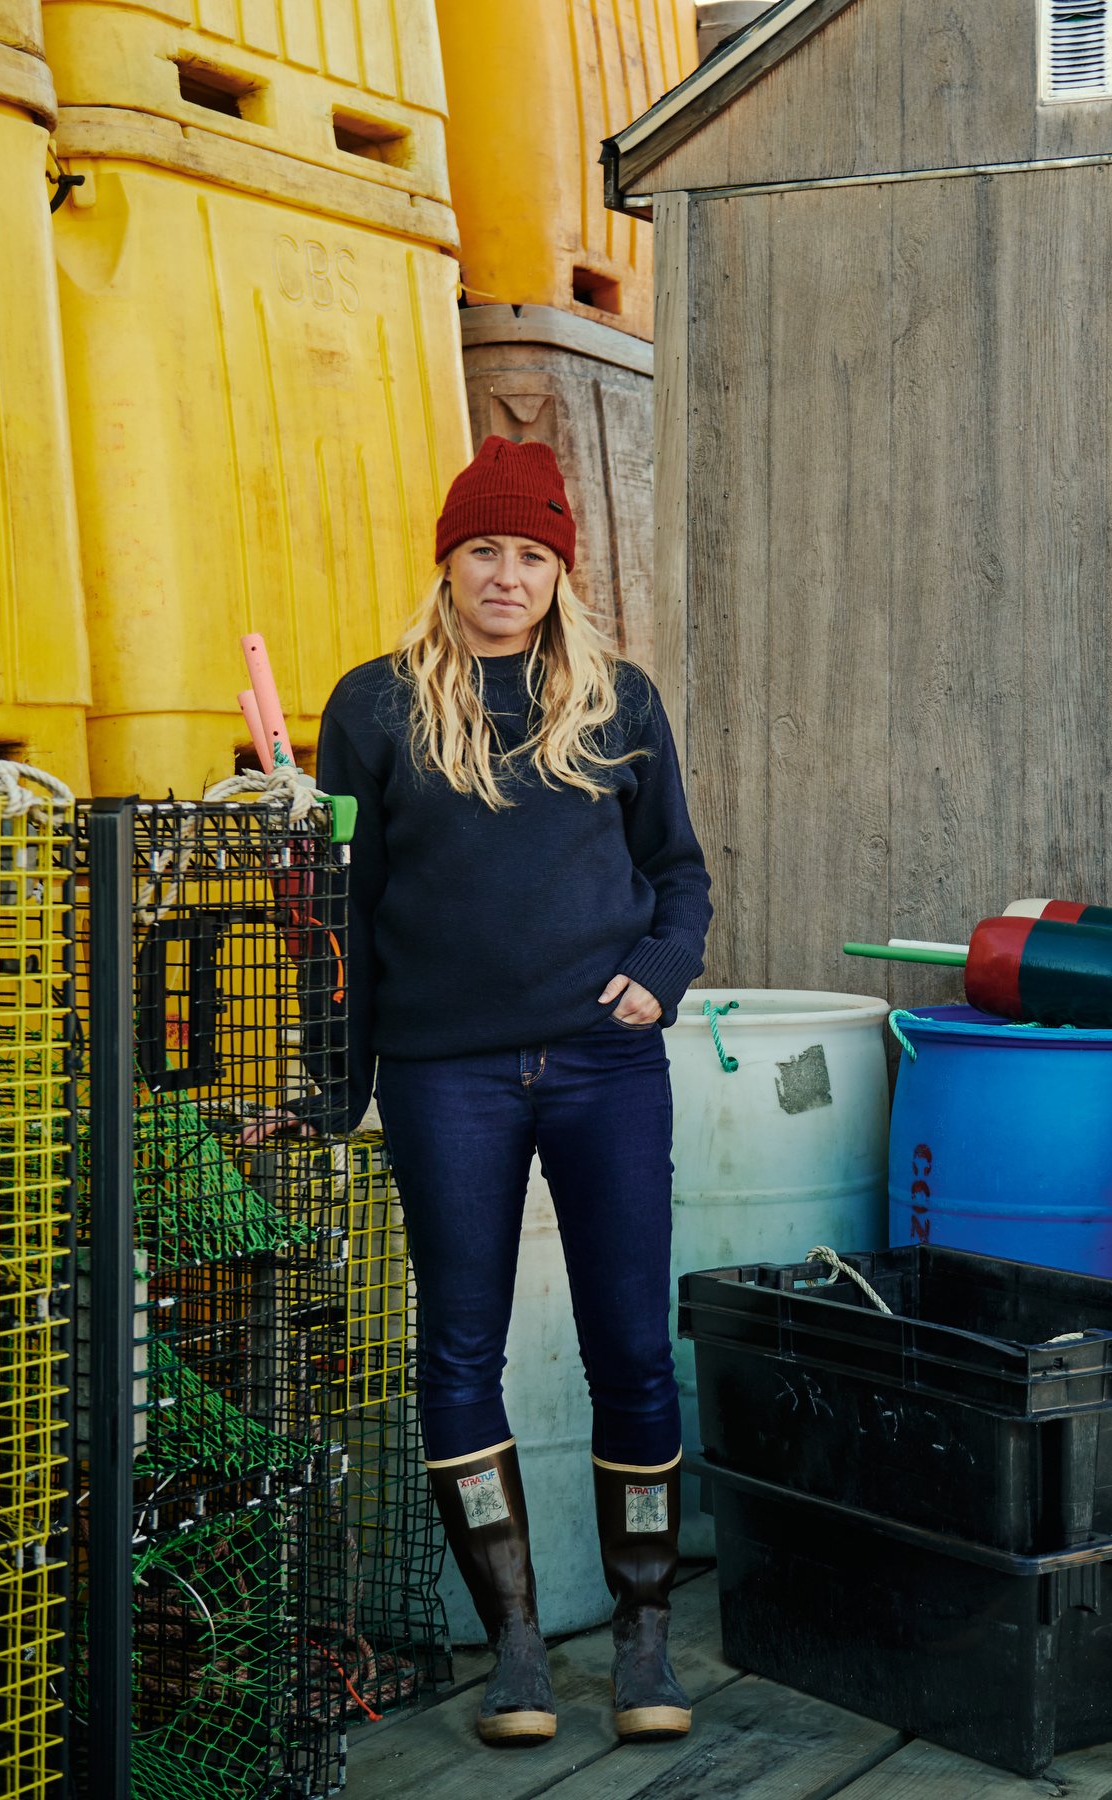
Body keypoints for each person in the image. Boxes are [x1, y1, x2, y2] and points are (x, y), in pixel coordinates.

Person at [318, 437, 713, 1750]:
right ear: (448, 563)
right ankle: (519, 1654)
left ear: (561, 574)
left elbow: (681, 876)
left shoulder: (619, 705)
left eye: (532, 556)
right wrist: (335, 1086)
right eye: (484, 550)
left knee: (633, 1352)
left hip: (604, 1067)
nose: (507, 576)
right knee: (459, 1351)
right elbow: (337, 912)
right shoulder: (373, 709)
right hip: (448, 1075)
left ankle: (647, 1641)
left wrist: (660, 973)